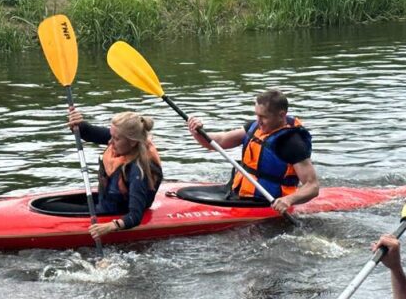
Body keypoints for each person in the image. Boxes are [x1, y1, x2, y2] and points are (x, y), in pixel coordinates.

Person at [185, 89, 319, 215]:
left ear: (281, 115)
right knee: (185, 193)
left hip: (267, 201)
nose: (258, 121)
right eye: (257, 115)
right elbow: (220, 141)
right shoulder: (255, 127)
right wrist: (197, 132)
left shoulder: (292, 143)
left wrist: (288, 200)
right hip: (238, 193)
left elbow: (312, 186)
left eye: (263, 117)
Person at [67, 107, 163, 239]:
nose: (109, 142)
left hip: (116, 213)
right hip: (105, 202)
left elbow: (135, 216)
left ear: (133, 142)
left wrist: (109, 227)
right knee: (46, 205)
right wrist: (78, 124)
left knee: (52, 208)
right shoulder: (123, 140)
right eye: (111, 136)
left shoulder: (138, 171)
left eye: (115, 139)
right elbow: (89, 132)